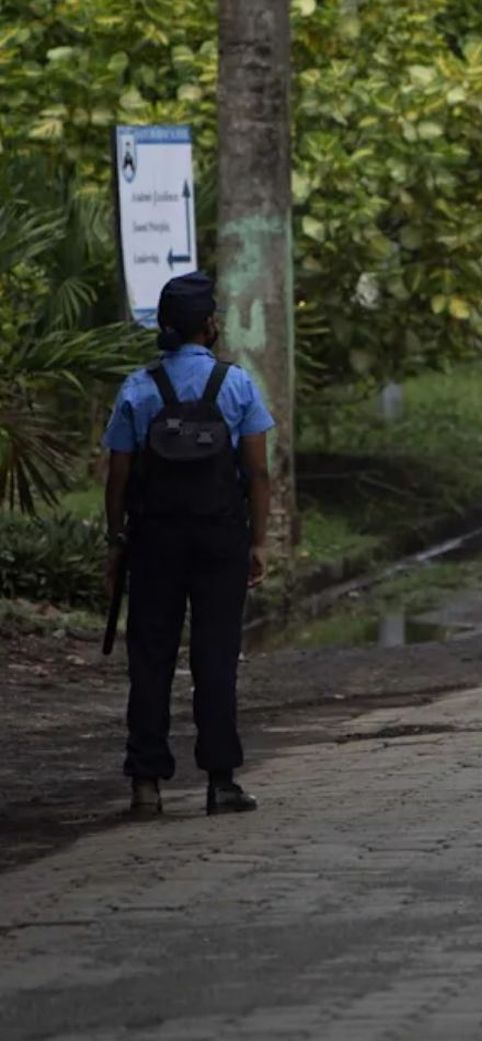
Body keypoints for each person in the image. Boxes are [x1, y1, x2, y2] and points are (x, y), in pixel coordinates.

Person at [102, 271, 275, 817]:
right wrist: (260, 542)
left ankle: (146, 784)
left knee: (150, 656)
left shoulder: (138, 386)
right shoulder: (237, 384)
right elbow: (258, 474)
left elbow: (118, 476)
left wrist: (116, 540)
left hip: (155, 539)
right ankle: (221, 781)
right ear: (209, 324)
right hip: (220, 536)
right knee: (215, 655)